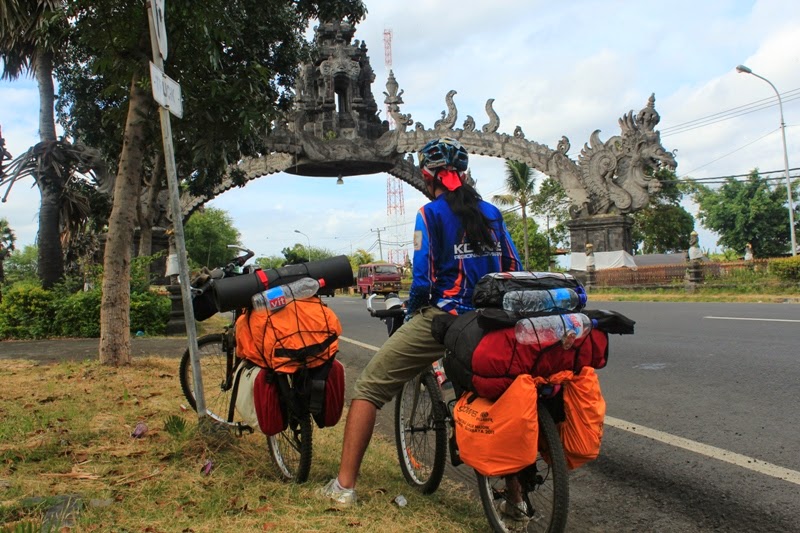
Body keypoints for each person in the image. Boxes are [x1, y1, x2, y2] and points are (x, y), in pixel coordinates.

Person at [320, 137, 521, 505]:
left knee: (369, 386)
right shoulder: (492, 213)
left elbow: (425, 280)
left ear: (429, 178)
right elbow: (513, 268)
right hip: (495, 319)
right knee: (494, 397)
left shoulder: (430, 215)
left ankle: (343, 488)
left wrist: (413, 311)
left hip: (448, 317)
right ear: (463, 175)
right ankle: (515, 499)